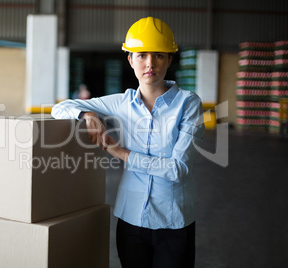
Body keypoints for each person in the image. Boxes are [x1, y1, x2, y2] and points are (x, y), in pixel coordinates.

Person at [52, 17, 204, 268]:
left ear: (170, 60)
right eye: (141, 55)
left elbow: (178, 169)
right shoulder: (121, 104)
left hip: (173, 223)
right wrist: (87, 114)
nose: (150, 63)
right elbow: (61, 107)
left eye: (159, 55)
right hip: (131, 220)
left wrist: (121, 152)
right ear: (130, 60)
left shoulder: (188, 104)